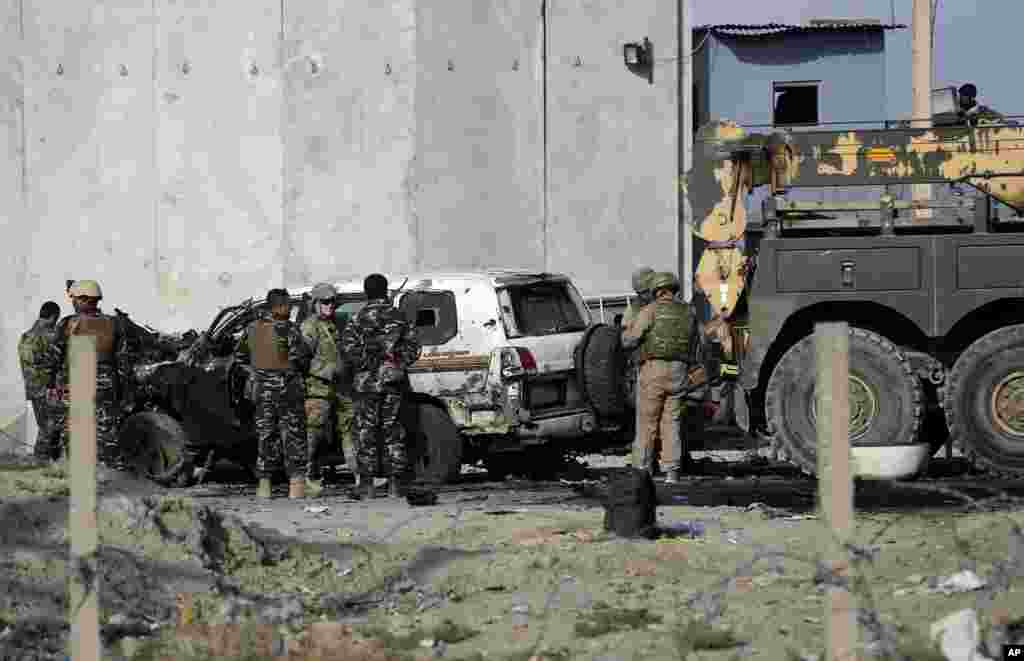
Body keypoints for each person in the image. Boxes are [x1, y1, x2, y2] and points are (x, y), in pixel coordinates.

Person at [340, 273, 421, 499]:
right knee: (393, 430)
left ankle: (366, 486)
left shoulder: (357, 319)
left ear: (366, 292)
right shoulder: (400, 317)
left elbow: (348, 350)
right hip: (393, 382)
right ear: (385, 291)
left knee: (366, 431)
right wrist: (395, 363)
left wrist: (368, 365)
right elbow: (414, 348)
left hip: (367, 384)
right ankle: (395, 485)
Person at [45, 280, 134, 469]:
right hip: (105, 388)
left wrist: (51, 384)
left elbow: (53, 359)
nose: (73, 302)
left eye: (75, 299)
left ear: (84, 299)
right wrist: (124, 392)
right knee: (107, 434)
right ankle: (110, 472)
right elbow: (123, 363)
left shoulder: (67, 323)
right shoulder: (114, 324)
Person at [234, 288, 312, 499]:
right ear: (280, 306)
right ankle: (296, 487)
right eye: (288, 305)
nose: (290, 309)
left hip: (263, 393)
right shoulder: (290, 330)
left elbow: (240, 358)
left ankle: (264, 487)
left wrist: (256, 374)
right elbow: (303, 359)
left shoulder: (252, 329)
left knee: (266, 436)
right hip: (289, 392)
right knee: (294, 436)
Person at [621, 271, 691, 484]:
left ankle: (642, 470)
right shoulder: (689, 311)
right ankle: (672, 472)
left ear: (656, 290)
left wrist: (626, 335)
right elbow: (699, 341)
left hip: (653, 369)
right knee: (672, 423)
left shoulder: (649, 310)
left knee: (647, 423)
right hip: (680, 370)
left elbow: (630, 340)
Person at [301, 282, 356, 494]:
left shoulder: (338, 324)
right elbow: (301, 359)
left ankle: (360, 475)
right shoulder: (309, 327)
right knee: (314, 435)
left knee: (350, 429)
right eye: (325, 302)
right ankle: (309, 478)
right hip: (317, 388)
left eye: (333, 301)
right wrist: (324, 371)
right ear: (315, 303)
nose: (330, 305)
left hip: (341, 387)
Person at [620, 267, 662, 474]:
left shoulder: (655, 306)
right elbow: (627, 337)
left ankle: (651, 462)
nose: (642, 295)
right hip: (646, 367)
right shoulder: (637, 308)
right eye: (640, 292)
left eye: (644, 291)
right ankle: (650, 461)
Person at [19, 301, 62, 460]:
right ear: (53, 317)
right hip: (46, 388)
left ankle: (44, 458)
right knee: (49, 425)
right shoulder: (45, 336)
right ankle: (41, 459)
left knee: (47, 425)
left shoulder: (29, 335)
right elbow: (48, 361)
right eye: (56, 319)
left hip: (37, 388)